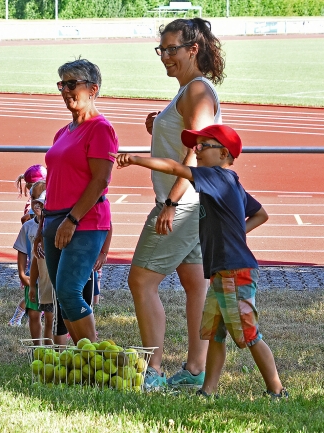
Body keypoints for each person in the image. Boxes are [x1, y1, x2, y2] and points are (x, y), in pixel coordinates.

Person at [114, 124, 287, 399]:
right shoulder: (230, 183)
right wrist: (234, 233)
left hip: (234, 272)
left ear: (223, 153)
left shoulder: (217, 177)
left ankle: (277, 390)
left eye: (203, 146)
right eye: (197, 146)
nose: (197, 151)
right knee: (214, 335)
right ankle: (207, 391)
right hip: (221, 272)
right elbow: (260, 214)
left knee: (248, 335)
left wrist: (135, 159)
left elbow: (174, 168)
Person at [128, 18, 226, 389]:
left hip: (185, 202)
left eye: (172, 49)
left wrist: (170, 203)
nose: (165, 56)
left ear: (192, 49)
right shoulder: (188, 90)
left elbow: (198, 150)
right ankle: (195, 370)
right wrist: (161, 124)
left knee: (141, 280)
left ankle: (152, 371)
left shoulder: (197, 91)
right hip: (198, 202)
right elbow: (187, 136)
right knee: (194, 284)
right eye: (161, 49)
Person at [32, 58, 118, 344]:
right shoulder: (63, 132)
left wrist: (71, 220)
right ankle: (84, 357)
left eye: (72, 84)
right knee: (61, 293)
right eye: (62, 84)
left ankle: (97, 356)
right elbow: (55, 181)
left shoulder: (100, 129)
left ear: (93, 89)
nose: (66, 90)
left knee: (70, 290)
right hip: (54, 220)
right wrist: (43, 227)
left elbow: (100, 181)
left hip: (83, 221)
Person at [8, 164, 47, 326]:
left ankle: (41, 313)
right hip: (35, 256)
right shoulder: (35, 207)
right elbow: (25, 221)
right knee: (33, 291)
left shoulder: (39, 205)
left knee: (42, 292)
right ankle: (16, 317)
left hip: (41, 258)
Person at [27, 187, 55, 345]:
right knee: (50, 321)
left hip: (56, 286)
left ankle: (53, 353)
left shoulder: (56, 228)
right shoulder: (38, 233)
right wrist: (32, 285)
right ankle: (46, 354)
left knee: (53, 322)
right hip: (44, 286)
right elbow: (35, 261)